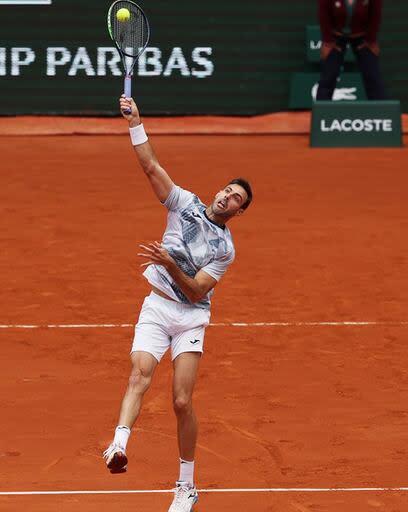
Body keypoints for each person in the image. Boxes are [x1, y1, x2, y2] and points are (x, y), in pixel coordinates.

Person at [102, 95, 253, 512]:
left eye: (236, 198)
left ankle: (186, 486)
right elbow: (150, 165)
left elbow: (196, 291)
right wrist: (136, 121)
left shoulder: (225, 249)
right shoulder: (183, 202)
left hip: (189, 317)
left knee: (181, 402)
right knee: (139, 374)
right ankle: (118, 445)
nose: (227, 197)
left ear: (239, 212)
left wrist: (169, 260)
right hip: (156, 306)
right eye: (227, 190)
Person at [316, 0, 386, 101]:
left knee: (373, 76)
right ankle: (321, 113)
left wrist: (370, 40)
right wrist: (328, 41)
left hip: (363, 37)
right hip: (335, 37)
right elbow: (323, 13)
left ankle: (381, 114)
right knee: (328, 77)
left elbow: (376, 14)